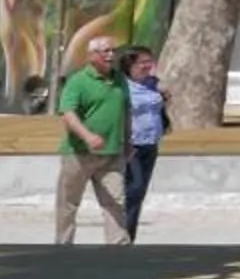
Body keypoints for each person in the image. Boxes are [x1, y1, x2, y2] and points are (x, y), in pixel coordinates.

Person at [53, 36, 130, 246]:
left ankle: (118, 247)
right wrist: (87, 136)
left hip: (112, 154)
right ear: (92, 56)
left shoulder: (120, 80)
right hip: (78, 154)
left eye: (113, 51)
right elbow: (68, 113)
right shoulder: (78, 81)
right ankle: (63, 245)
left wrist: (128, 141)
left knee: (116, 201)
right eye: (105, 51)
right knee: (68, 203)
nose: (111, 55)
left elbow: (126, 111)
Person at [119, 46, 168, 241]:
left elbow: (159, 107)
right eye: (143, 62)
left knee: (140, 193)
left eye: (150, 61)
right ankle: (121, 233)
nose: (148, 66)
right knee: (134, 187)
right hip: (132, 144)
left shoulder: (153, 84)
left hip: (151, 143)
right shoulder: (121, 86)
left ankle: (129, 235)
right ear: (130, 65)